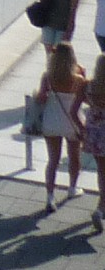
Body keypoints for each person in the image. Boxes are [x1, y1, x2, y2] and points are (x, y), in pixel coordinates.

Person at [35, 41, 87, 211]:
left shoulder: (47, 76)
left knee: (53, 160)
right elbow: (84, 99)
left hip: (51, 121)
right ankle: (72, 188)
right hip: (71, 123)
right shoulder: (77, 78)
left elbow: (41, 98)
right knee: (74, 157)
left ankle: (50, 196)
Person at [84, 56, 105, 237]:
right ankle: (100, 208)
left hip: (95, 133)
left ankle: (101, 204)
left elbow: (82, 104)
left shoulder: (90, 86)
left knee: (101, 171)